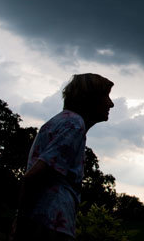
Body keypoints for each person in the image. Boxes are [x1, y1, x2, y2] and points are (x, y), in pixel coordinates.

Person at [11, 73, 114, 241]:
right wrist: (21, 220)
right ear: (90, 99)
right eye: (106, 96)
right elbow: (32, 177)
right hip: (49, 223)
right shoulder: (74, 125)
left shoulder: (62, 121)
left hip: (41, 221)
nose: (111, 103)